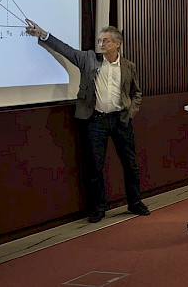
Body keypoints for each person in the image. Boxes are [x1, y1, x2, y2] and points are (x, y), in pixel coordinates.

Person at [25, 19, 150, 223]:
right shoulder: (89, 59)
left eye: (106, 41)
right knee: (95, 167)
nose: (101, 44)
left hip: (121, 121)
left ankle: (135, 202)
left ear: (117, 44)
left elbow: (136, 93)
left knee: (130, 165)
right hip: (96, 121)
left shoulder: (128, 66)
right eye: (100, 40)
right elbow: (65, 50)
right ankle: (99, 208)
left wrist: (131, 113)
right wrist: (43, 34)